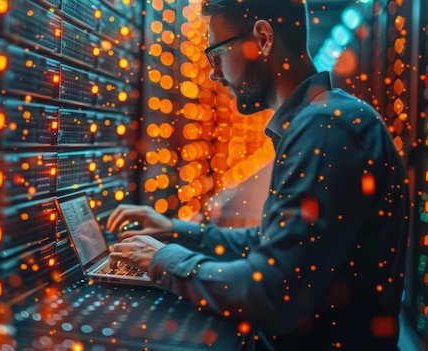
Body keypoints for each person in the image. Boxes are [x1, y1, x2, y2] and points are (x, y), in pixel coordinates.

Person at [106, 0, 410, 350]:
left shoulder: (325, 128)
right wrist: (173, 231)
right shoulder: (324, 118)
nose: (213, 73)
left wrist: (165, 261)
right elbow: (271, 241)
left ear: (263, 38)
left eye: (216, 52)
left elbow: (273, 292)